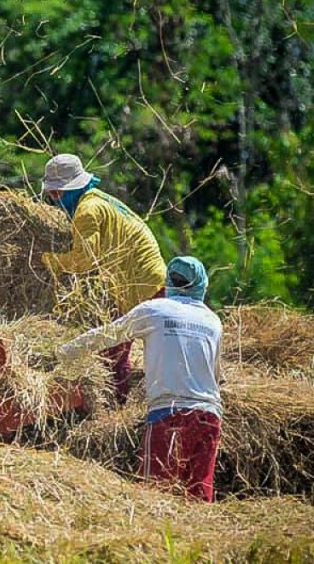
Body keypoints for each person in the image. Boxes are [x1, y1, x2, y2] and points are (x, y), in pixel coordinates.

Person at [56, 257, 223, 501]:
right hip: (209, 416)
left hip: (169, 413)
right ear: (202, 284)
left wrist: (63, 352)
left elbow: (107, 335)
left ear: (168, 282)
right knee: (198, 497)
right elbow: (216, 375)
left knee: (155, 496)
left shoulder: (154, 310)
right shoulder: (213, 321)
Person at [40, 153, 167, 403]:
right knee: (115, 347)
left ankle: (118, 406)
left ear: (68, 189)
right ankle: (121, 401)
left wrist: (50, 261)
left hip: (142, 285)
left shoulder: (86, 211)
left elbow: (85, 260)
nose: (55, 201)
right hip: (146, 280)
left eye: (57, 194)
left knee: (114, 351)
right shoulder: (101, 200)